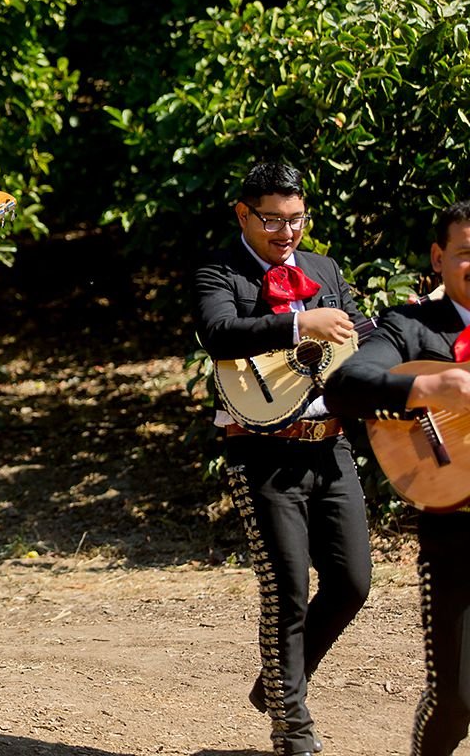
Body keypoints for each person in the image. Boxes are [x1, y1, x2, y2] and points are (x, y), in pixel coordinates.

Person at [192, 161, 371, 756]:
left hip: (330, 445)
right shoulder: (218, 269)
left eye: (296, 219)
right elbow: (219, 333)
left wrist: (400, 329)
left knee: (351, 582)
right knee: (287, 589)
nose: (286, 232)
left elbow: (357, 336)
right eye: (272, 219)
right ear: (243, 214)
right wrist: (300, 322)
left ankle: (275, 684)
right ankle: (291, 724)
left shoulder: (324, 269)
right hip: (258, 450)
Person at [325, 200, 470, 756]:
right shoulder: (410, 327)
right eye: (465, 253)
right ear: (438, 258)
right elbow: (345, 385)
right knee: (456, 698)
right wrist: (429, 390)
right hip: (456, 534)